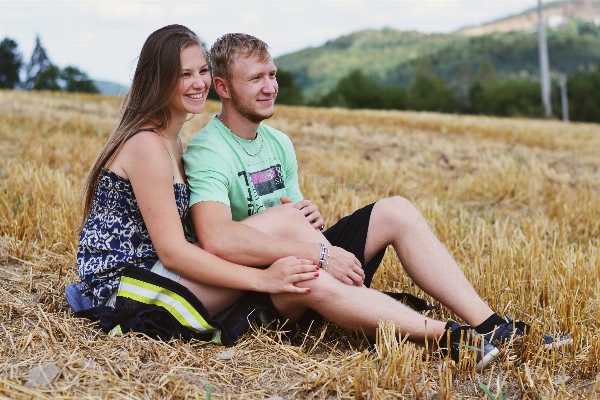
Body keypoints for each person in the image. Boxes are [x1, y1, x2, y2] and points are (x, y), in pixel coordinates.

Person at [182, 33, 571, 362]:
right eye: (256, 79)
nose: (270, 87)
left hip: (303, 255)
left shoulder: (278, 142)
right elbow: (217, 239)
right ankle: (446, 337)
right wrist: (318, 253)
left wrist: (309, 218)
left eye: (273, 75)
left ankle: (492, 327)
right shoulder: (208, 150)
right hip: (264, 284)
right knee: (315, 267)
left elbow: (290, 213)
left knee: (396, 210)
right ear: (223, 88)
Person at [70, 25, 321, 345]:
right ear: (158, 80)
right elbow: (173, 253)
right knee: (268, 257)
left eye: (202, 70)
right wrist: (262, 279)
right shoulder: (147, 145)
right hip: (124, 294)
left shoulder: (171, 140)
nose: (199, 82)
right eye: (184, 74)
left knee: (267, 241)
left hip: (153, 273)